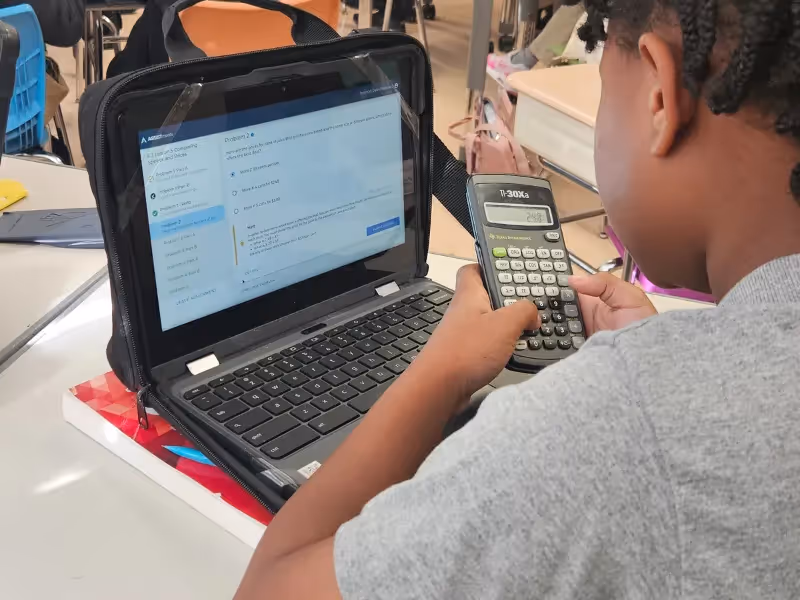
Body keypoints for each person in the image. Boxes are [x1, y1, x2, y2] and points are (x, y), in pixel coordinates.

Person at [235, 0, 800, 596]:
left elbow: (269, 589)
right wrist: (651, 356)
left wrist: (442, 370)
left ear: (660, 97)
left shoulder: (609, 430)